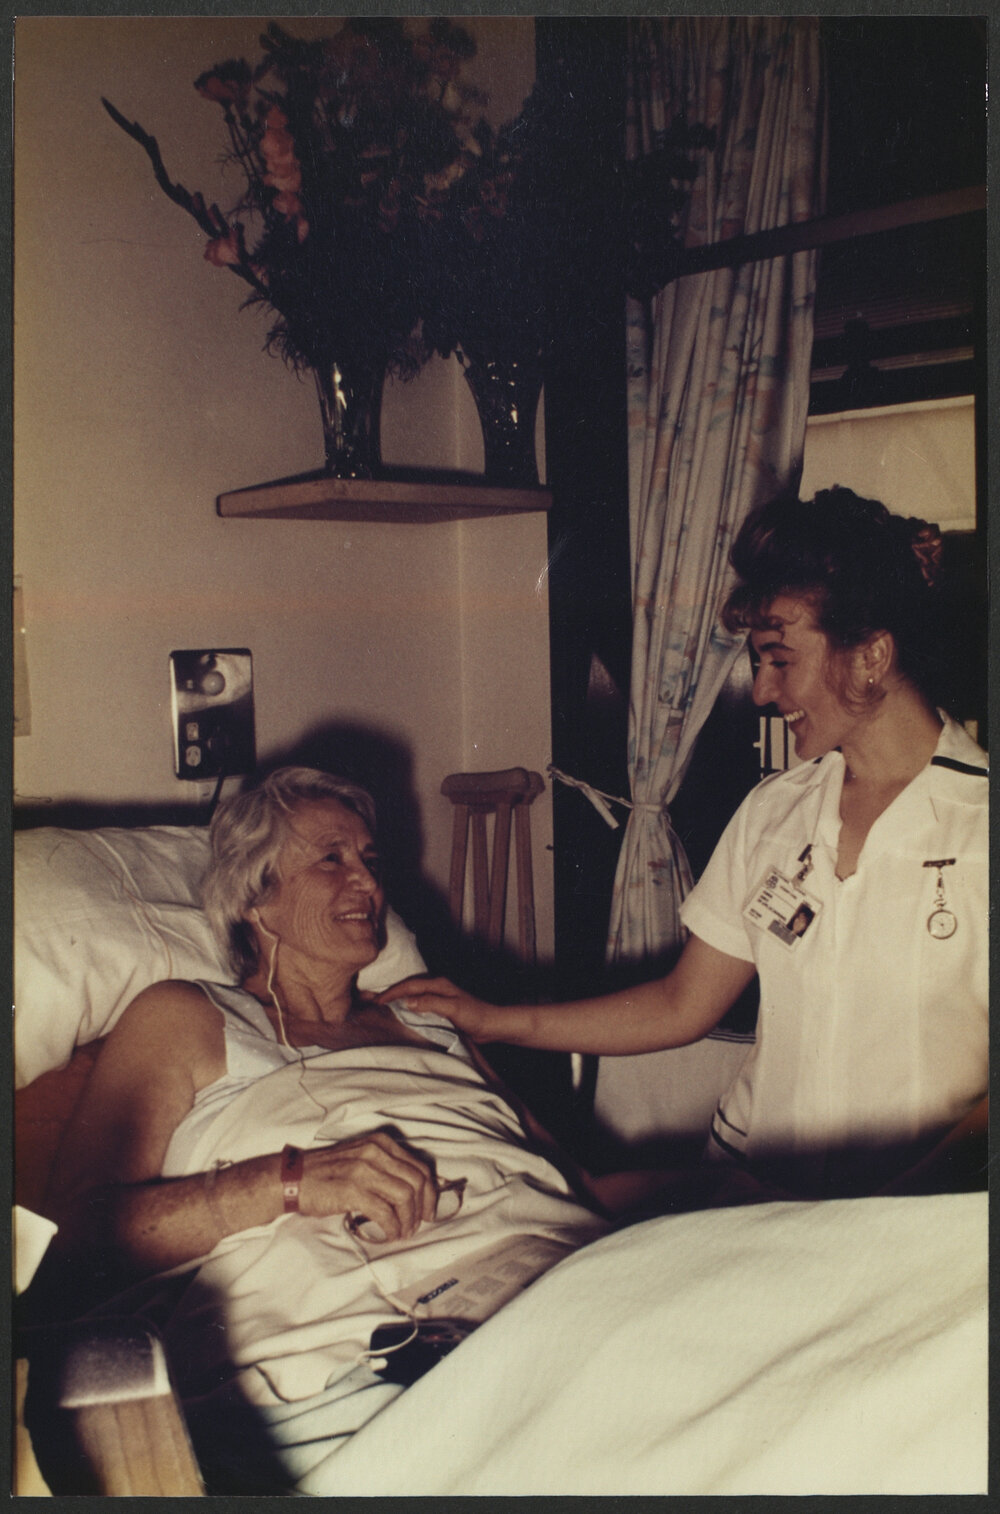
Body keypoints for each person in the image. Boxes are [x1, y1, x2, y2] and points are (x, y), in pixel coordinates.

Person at [384, 488, 988, 1202]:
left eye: (779, 660)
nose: (762, 690)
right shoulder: (776, 814)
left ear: (871, 657)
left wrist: (888, 1213)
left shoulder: (980, 824)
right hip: (757, 1194)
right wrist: (498, 1020)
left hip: (922, 1214)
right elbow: (681, 1004)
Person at [29, 767, 609, 1493]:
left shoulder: (431, 1024)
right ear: (253, 898)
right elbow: (72, 1244)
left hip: (575, 1280)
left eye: (371, 860)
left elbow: (571, 1185)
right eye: (331, 858)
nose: (366, 882)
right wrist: (293, 1181)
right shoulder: (187, 1017)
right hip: (379, 1344)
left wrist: (723, 1191)